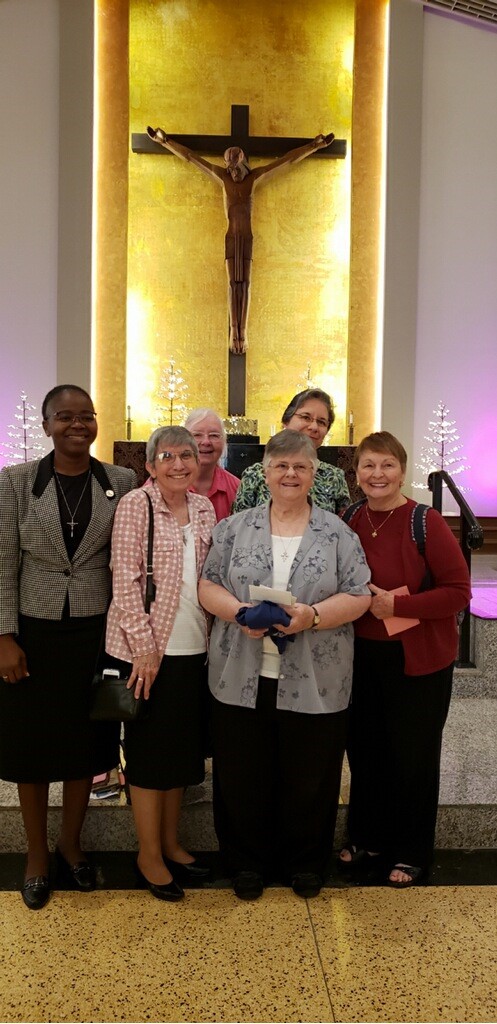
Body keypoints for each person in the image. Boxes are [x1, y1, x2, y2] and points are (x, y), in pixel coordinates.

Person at [198, 430, 371, 901]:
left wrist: (311, 617)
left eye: (300, 467)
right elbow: (207, 584)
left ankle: (305, 863)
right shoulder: (234, 528)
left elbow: (358, 595)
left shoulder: (337, 532)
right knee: (241, 772)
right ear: (265, 472)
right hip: (241, 672)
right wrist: (237, 613)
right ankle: (246, 862)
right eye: (281, 466)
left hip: (318, 674)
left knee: (310, 774)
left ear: (314, 473)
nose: (290, 475)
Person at [0, 385, 136, 910]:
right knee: (30, 749)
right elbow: (2, 561)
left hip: (94, 634)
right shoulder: (15, 484)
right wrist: (4, 636)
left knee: (88, 746)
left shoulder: (119, 482)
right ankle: (36, 856)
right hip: (31, 634)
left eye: (86, 416)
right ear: (47, 423)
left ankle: (70, 845)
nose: (77, 425)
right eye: (65, 416)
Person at [339, 431, 471, 887]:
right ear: (356, 474)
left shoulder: (424, 521)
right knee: (365, 751)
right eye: (369, 466)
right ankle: (367, 836)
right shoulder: (350, 517)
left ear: (402, 470)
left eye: (387, 465)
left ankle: (412, 849)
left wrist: (400, 607)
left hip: (417, 661)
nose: (378, 474)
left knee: (412, 756)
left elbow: (458, 593)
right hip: (360, 655)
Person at [105, 426, 216, 902]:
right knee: (150, 758)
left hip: (197, 648)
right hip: (147, 653)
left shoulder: (206, 507)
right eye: (166, 456)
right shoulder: (137, 505)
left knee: (180, 754)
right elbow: (125, 582)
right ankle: (148, 853)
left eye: (186, 454)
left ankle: (171, 843)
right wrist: (146, 651)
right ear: (149, 465)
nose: (178, 463)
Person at [147, 126, 334, 353]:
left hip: (247, 238)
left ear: (243, 162)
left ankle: (242, 333)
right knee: (232, 285)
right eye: (229, 167)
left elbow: (287, 161)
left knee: (244, 285)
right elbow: (191, 158)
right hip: (230, 238)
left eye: (236, 167)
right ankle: (233, 332)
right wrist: (164, 141)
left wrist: (314, 146)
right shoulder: (222, 177)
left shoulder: (253, 178)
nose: (233, 172)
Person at [232, 388, 350, 515]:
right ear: (286, 422)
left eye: (321, 422)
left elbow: (343, 527)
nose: (314, 427)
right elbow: (238, 528)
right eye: (306, 417)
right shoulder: (255, 475)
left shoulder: (334, 477)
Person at [184, 408, 239, 521]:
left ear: (224, 443)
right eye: (197, 435)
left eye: (214, 435)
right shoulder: (163, 486)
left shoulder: (237, 489)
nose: (206, 442)